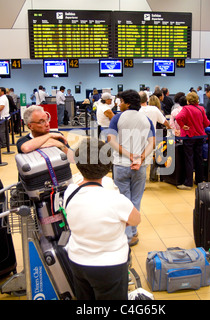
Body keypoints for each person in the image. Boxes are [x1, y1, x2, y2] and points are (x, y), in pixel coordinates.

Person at [64, 137, 141, 300]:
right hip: (110, 266)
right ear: (108, 167)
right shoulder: (116, 200)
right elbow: (136, 220)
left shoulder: (70, 192)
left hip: (78, 261)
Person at [107, 89, 155, 246]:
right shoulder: (146, 119)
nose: (119, 105)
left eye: (121, 102)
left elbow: (111, 140)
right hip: (140, 167)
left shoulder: (117, 118)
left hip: (121, 165)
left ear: (127, 103)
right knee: (136, 199)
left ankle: (127, 236)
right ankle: (133, 232)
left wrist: (129, 155)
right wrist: (140, 157)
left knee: (124, 200)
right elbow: (152, 142)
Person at [175, 91, 210, 190]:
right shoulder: (201, 108)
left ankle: (188, 182)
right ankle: (199, 180)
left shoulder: (186, 108)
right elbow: (207, 123)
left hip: (189, 137)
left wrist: (183, 126)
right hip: (200, 137)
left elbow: (178, 117)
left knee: (189, 159)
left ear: (188, 100)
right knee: (199, 159)